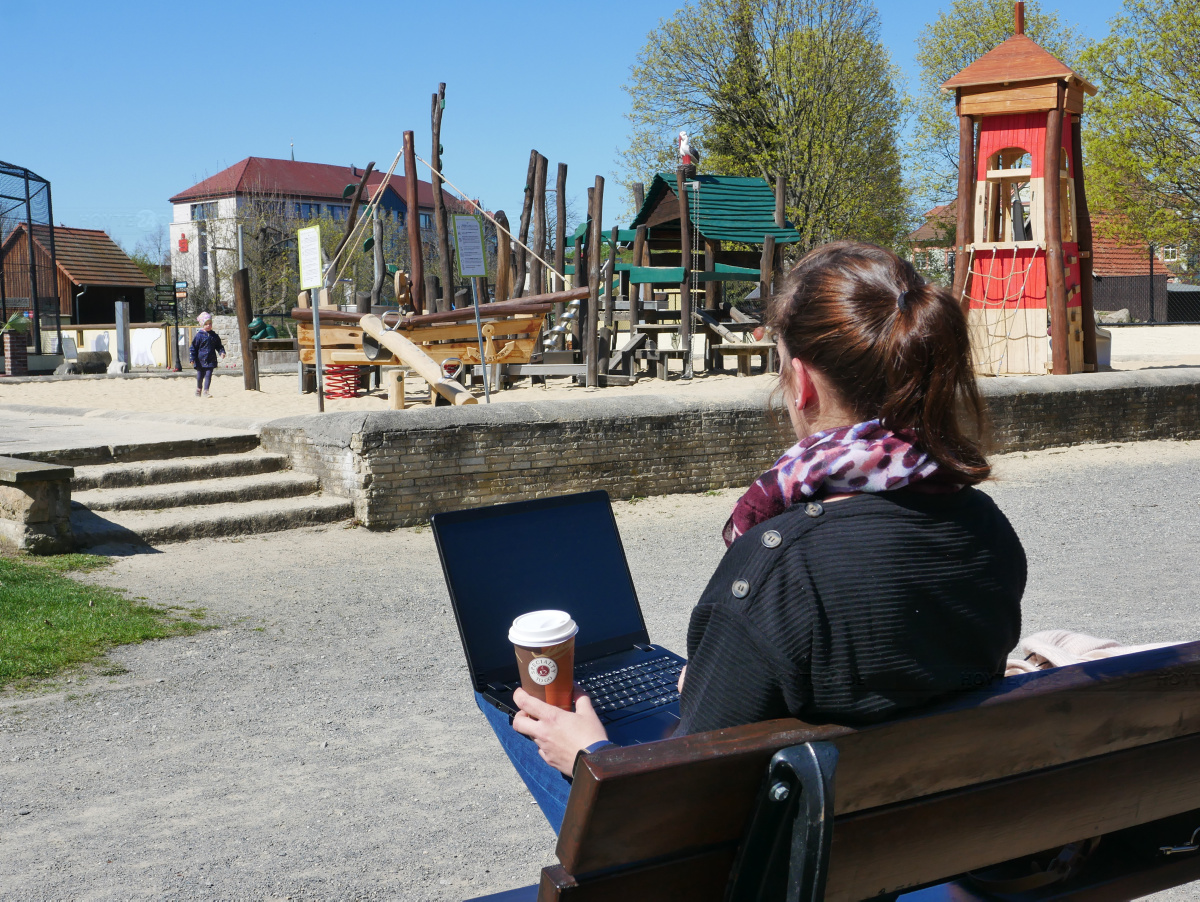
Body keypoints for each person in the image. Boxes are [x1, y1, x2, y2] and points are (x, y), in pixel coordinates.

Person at [489, 241, 1026, 831]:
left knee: (525, 718)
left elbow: (676, 813)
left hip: (792, 867)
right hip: (928, 835)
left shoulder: (781, 570)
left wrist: (590, 756)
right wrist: (721, 679)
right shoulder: (985, 528)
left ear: (801, 383)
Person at [189, 312, 225, 397]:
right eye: (206, 324)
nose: (208, 326)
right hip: (200, 360)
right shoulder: (199, 336)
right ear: (202, 324)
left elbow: (219, 346)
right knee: (199, 376)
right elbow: (193, 347)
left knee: (208, 375)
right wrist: (192, 358)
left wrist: (221, 352)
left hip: (210, 359)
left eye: (210, 324)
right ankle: (198, 389)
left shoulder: (214, 336)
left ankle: (206, 391)